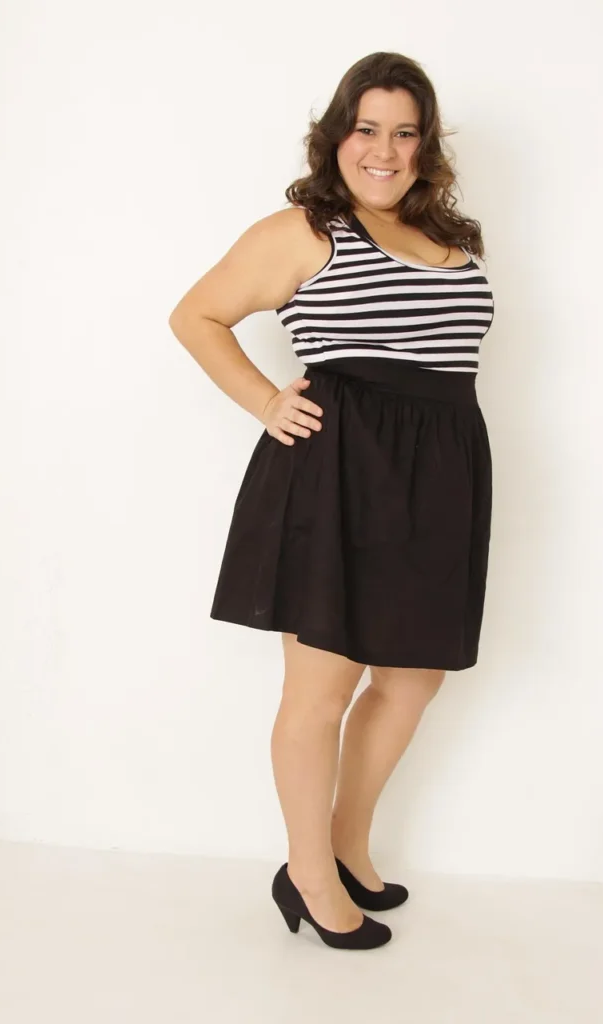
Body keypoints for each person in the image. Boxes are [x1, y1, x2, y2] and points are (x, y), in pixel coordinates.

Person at [168, 51, 494, 950]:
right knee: (322, 689)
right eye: (367, 128)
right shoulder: (307, 229)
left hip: (439, 477)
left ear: (425, 144)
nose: (384, 150)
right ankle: (307, 871)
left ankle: (346, 842)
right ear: (337, 135)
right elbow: (195, 315)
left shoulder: (453, 237)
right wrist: (268, 400)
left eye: (404, 131)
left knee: (414, 678)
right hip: (341, 473)